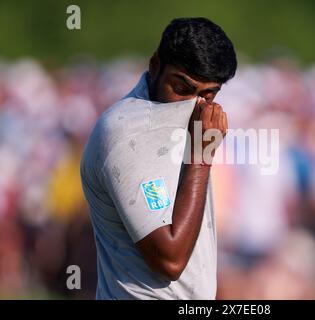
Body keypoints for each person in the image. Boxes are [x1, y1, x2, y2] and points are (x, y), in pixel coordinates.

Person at [80, 17, 237, 299]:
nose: (192, 105)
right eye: (181, 88)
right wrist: (201, 156)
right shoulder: (126, 133)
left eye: (207, 95)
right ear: (155, 66)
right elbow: (170, 260)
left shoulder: (181, 125)